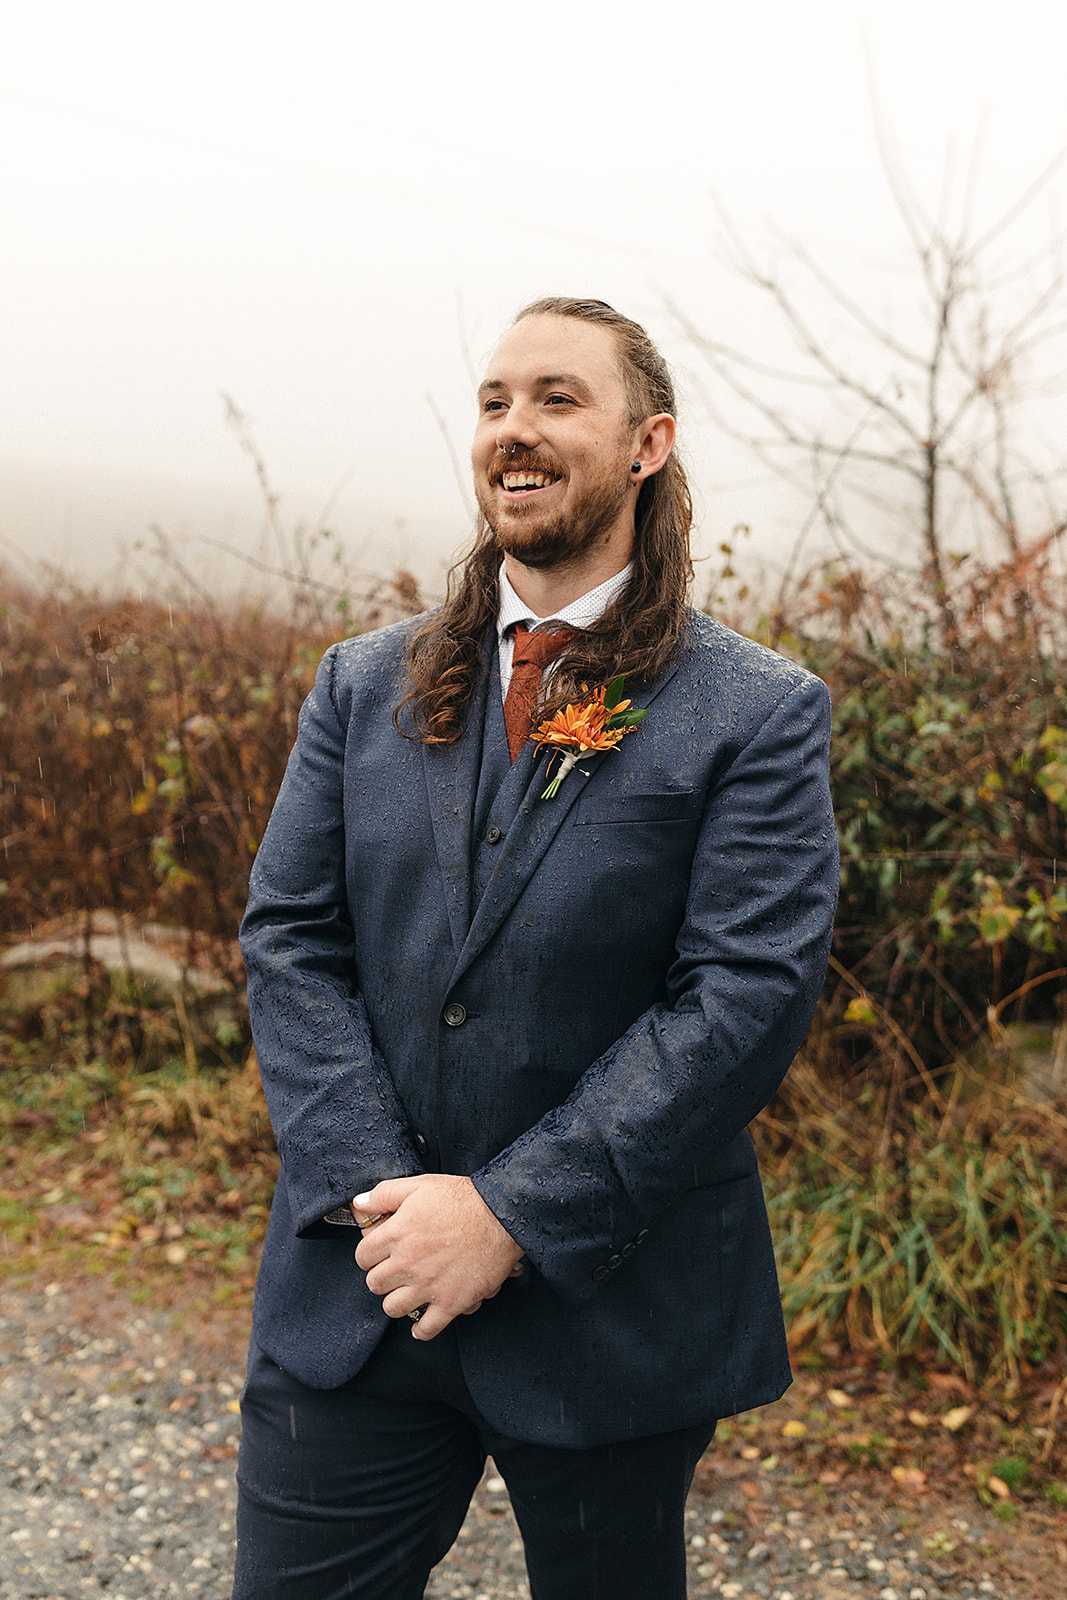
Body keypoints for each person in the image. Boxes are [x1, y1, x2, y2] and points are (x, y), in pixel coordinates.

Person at [230, 295, 840, 1599]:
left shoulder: (755, 714)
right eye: (496, 401)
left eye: (559, 399)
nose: (515, 428)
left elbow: (742, 998)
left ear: (646, 443)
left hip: (607, 1313)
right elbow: (289, 940)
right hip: (361, 1288)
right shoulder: (360, 684)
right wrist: (382, 1199)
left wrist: (510, 1214)